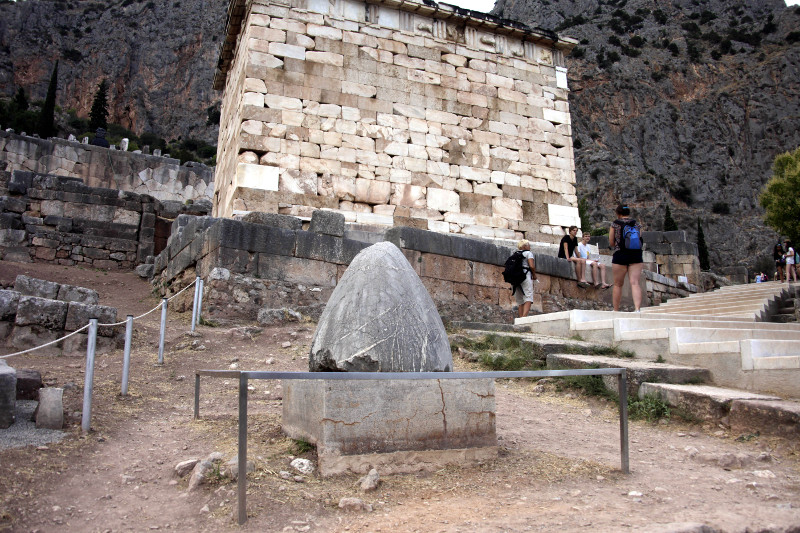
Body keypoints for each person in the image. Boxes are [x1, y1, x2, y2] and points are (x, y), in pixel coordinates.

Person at [608, 205, 643, 311]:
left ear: (618, 213)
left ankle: (616, 309)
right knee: (635, 283)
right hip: (636, 255)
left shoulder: (615, 224)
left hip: (620, 254)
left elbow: (611, 242)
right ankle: (637, 309)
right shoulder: (637, 224)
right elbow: (640, 239)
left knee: (618, 284)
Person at [514, 239, 537, 318]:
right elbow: (531, 266)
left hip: (515, 278)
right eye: (528, 245)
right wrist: (534, 275)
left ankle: (520, 318)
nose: (529, 246)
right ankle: (524, 317)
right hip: (525, 276)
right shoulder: (528, 253)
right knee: (528, 297)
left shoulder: (515, 254)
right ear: (524, 246)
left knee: (520, 300)